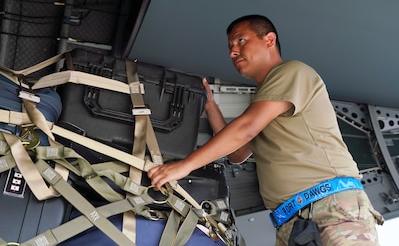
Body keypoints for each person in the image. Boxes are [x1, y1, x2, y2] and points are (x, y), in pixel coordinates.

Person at [148, 14, 384, 245]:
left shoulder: (291, 72)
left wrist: (183, 167)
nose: (233, 51)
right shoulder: (267, 104)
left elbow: (246, 128)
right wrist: (210, 106)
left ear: (269, 40)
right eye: (230, 46)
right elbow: (237, 153)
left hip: (331, 208)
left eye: (240, 40)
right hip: (294, 222)